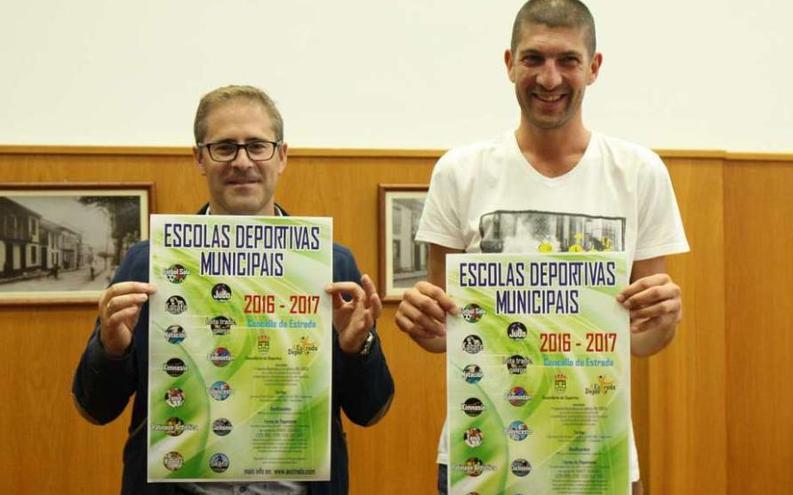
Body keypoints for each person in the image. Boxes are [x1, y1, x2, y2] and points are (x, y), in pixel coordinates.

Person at [393, 1, 689, 494]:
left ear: (593, 68)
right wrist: (422, 322)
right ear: (509, 62)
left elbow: (642, 340)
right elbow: (447, 333)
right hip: (482, 451)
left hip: (598, 455)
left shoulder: (639, 173)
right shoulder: (460, 171)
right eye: (533, 59)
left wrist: (664, 320)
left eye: (567, 60)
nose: (549, 78)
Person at [72, 85, 394, 495]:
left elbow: (371, 410)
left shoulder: (332, 266)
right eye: (224, 147)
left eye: (257, 145)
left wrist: (357, 348)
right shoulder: (148, 263)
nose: (242, 161)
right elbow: (94, 408)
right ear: (199, 158)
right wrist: (111, 348)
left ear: (282, 155)